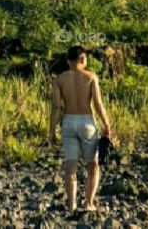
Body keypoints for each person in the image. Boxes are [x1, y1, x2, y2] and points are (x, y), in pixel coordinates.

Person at [49, 44, 112, 216]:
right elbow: (98, 104)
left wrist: (51, 131)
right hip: (86, 122)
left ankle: (71, 206)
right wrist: (107, 124)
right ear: (83, 59)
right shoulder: (91, 77)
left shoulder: (59, 79)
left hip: (68, 122)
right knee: (92, 165)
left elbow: (55, 107)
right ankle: (89, 203)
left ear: (68, 61)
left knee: (70, 168)